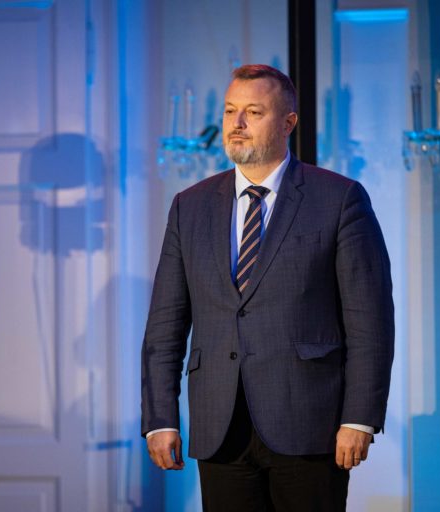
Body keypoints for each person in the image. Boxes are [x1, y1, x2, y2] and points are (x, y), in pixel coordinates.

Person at [141, 64, 394, 511]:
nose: (236, 124)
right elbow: (165, 324)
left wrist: (359, 418)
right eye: (230, 111)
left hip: (310, 425)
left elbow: (370, 321)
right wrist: (160, 418)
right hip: (220, 427)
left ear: (287, 122)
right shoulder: (189, 206)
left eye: (253, 112)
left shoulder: (339, 199)